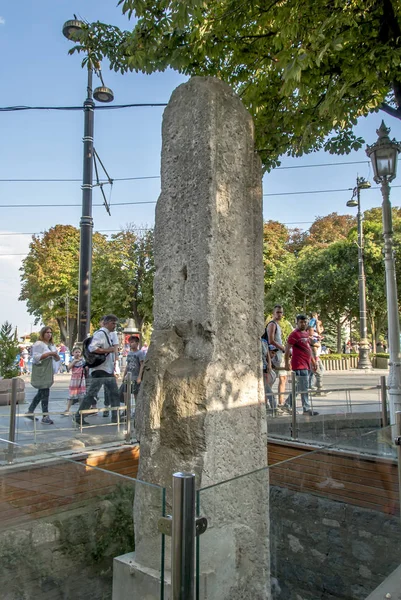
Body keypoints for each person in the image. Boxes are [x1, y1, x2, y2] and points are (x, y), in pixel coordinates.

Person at [75, 315, 120, 426]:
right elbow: (92, 348)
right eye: (112, 323)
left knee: (113, 393)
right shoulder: (100, 334)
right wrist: (107, 350)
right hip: (100, 369)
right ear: (106, 323)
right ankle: (79, 416)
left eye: (115, 323)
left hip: (106, 369)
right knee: (92, 394)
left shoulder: (108, 334)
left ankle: (116, 417)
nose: (114, 326)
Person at [284, 314, 318, 416]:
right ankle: (306, 409)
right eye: (301, 322)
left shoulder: (306, 334)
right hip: (299, 364)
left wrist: (313, 361)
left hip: (307, 364)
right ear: (297, 323)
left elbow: (308, 348)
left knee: (300, 387)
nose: (303, 324)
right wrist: (286, 363)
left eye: (304, 322)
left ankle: (287, 404)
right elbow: (287, 349)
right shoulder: (294, 335)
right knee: (304, 387)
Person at [25, 326, 60, 424]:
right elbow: (36, 358)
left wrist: (54, 355)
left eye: (50, 332)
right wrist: (50, 354)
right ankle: (45, 416)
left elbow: (57, 358)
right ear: (42, 333)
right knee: (45, 392)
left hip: (49, 370)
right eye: (47, 332)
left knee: (42, 392)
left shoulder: (51, 344)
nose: (49, 334)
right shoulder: (39, 344)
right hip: (42, 369)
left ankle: (30, 411)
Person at [265, 305, 288, 412]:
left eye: (281, 312)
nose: (280, 314)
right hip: (274, 355)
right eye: (278, 312)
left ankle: (280, 402)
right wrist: (282, 348)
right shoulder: (272, 324)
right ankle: (267, 404)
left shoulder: (277, 325)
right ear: (273, 313)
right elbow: (271, 340)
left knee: (282, 378)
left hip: (279, 356)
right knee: (270, 380)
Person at [61, 347, 87, 416]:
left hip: (81, 379)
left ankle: (81, 410)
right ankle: (67, 409)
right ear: (73, 353)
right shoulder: (72, 360)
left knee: (81, 395)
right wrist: (75, 361)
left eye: (79, 352)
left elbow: (86, 368)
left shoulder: (83, 360)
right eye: (76, 352)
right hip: (74, 379)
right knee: (71, 395)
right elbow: (68, 368)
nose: (77, 353)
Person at [120, 335, 145, 404]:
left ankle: (136, 411)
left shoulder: (140, 353)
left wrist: (139, 377)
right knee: (125, 393)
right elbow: (127, 365)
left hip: (135, 376)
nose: (131, 344)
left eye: (132, 342)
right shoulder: (129, 353)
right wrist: (123, 376)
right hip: (128, 377)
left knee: (135, 394)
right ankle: (126, 410)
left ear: (137, 343)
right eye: (130, 342)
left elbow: (142, 365)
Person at [261, 337, 277, 410]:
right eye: (272, 352)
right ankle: (274, 408)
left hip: (265, 371)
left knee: (268, 392)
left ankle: (270, 407)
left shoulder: (264, 341)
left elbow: (267, 353)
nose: (273, 355)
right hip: (262, 373)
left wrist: (269, 363)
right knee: (269, 393)